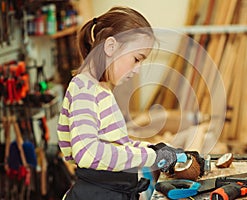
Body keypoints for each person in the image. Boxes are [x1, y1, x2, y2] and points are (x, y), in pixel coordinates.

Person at [57, 6, 179, 200]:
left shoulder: (99, 88)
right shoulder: (84, 89)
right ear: (111, 46)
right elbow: (87, 153)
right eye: (136, 59)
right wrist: (152, 158)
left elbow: (115, 144)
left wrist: (154, 149)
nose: (137, 70)